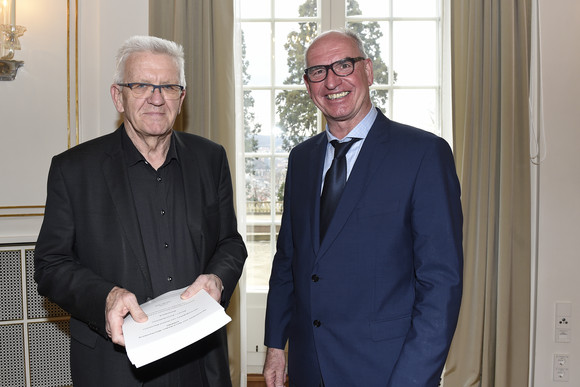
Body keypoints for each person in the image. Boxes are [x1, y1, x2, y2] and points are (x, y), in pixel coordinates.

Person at [34, 35, 247, 386]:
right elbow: (51, 264)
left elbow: (230, 243)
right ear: (118, 96)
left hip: (199, 362)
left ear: (182, 96)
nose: (157, 97)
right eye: (141, 85)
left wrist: (217, 278)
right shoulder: (73, 169)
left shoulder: (211, 159)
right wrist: (105, 297)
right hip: (115, 366)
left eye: (168, 86)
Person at [263, 29, 463, 386]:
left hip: (386, 370)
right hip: (309, 368)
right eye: (317, 71)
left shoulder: (423, 155)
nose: (331, 81)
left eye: (343, 64)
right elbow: (287, 260)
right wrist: (276, 345)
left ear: (368, 72)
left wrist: (411, 380)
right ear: (308, 86)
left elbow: (441, 284)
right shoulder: (302, 159)